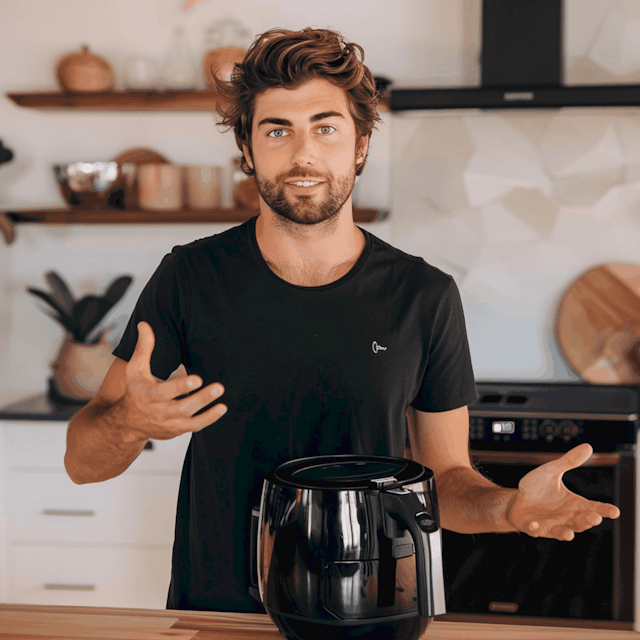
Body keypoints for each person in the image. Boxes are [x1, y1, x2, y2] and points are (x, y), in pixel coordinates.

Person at [64, 27, 620, 614]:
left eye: (325, 128)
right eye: (277, 130)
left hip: (377, 611)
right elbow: (81, 462)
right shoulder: (188, 278)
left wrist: (506, 507)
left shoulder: (422, 295)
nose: (303, 154)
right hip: (218, 611)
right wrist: (128, 420)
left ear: (359, 145)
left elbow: (445, 481)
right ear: (248, 151)